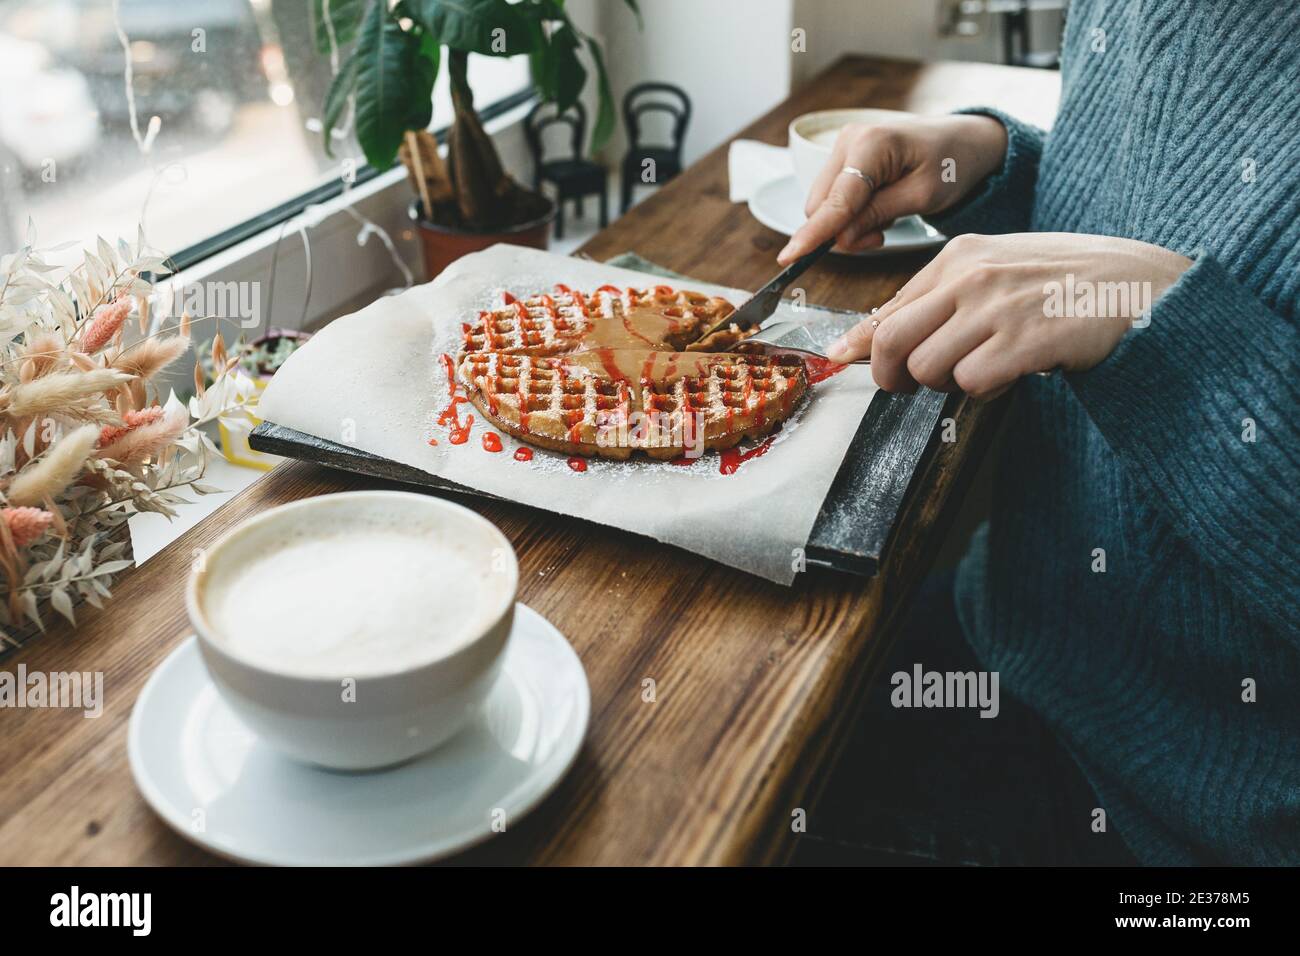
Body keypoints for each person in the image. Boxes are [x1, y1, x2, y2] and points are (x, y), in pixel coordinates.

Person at [784, 0, 1299, 866]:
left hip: (1198, 829)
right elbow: (1157, 198)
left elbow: (1148, 284)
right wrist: (991, 165)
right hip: (1013, 633)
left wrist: (1151, 315)